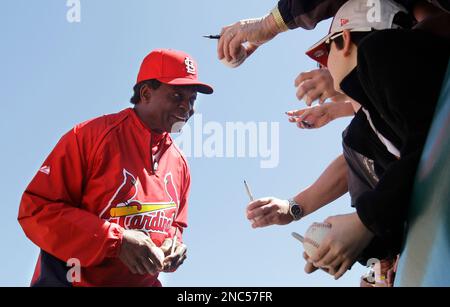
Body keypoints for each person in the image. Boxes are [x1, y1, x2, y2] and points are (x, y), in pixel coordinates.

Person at [18, 49, 214, 287]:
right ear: (145, 93)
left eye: (192, 100)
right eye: (176, 95)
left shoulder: (180, 165)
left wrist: (174, 245)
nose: (187, 107)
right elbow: (36, 210)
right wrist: (117, 242)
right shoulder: (90, 136)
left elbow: (175, 226)